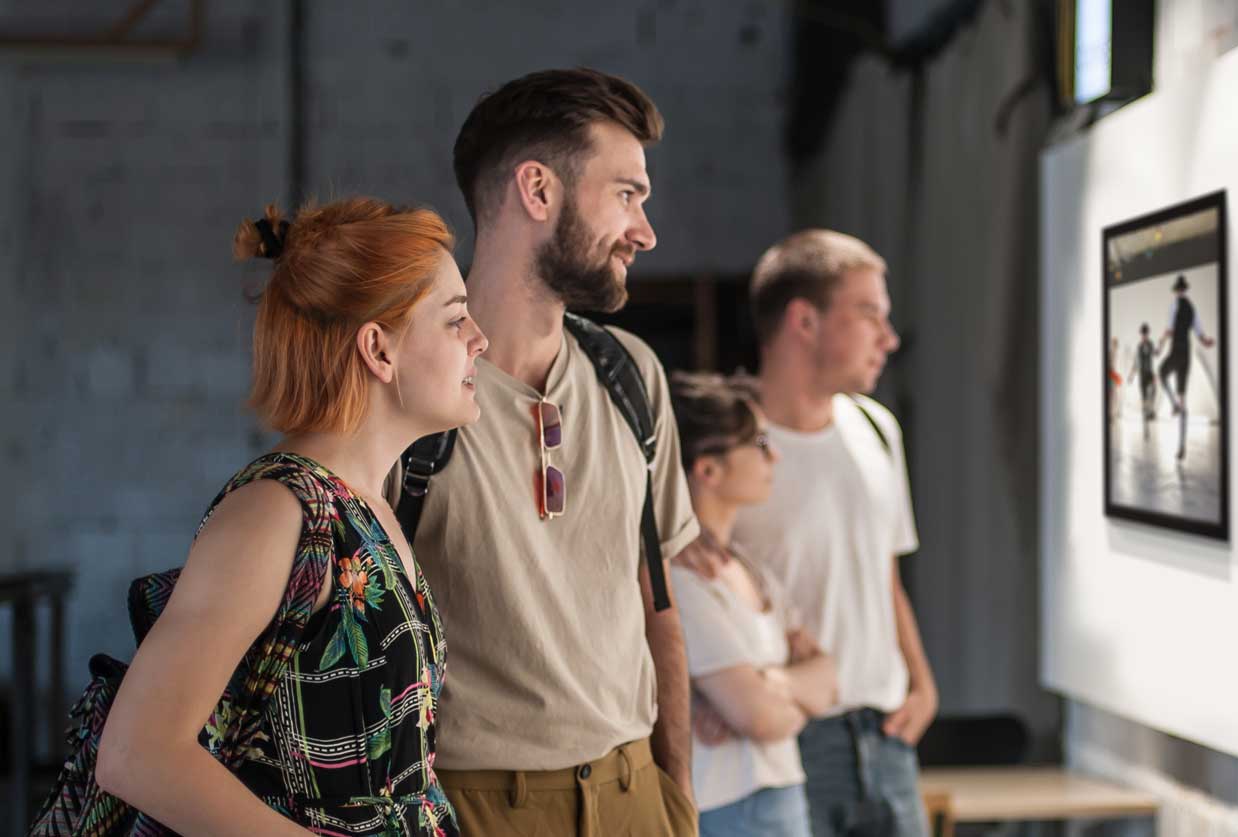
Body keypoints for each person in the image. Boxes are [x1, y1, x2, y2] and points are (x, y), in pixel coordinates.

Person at [94, 198, 486, 835]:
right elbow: (137, 754)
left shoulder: (372, 507)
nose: (480, 339)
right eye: (455, 320)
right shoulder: (274, 513)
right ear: (379, 351)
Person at [401, 68, 700, 835]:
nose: (646, 230)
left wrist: (678, 795)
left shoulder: (631, 373)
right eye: (626, 194)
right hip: (475, 804)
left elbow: (656, 600)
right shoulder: (406, 384)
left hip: (636, 790)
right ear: (538, 191)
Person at [681, 229, 938, 837]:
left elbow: (884, 578)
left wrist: (924, 688)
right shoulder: (727, 452)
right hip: (784, 744)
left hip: (887, 733)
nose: (889, 338)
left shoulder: (877, 429)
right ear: (804, 320)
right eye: (869, 314)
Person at [668, 372, 838, 836]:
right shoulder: (683, 577)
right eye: (759, 442)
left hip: (782, 793)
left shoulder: (750, 568)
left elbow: (830, 680)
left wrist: (766, 682)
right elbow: (759, 716)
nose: (775, 455)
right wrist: (789, 693)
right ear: (708, 470)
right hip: (728, 806)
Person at [1156, 274, 1216, 459]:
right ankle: (1181, 447)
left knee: (1161, 372)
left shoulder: (1175, 304)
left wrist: (1159, 346)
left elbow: (1169, 330)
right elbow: (1200, 334)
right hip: (1187, 354)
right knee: (1184, 399)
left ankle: (1173, 404)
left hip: (1176, 349)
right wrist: (1207, 342)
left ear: (1176, 290)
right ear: (1186, 289)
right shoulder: (1192, 308)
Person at [1129, 323, 1159, 421]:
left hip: (1150, 372)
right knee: (1144, 396)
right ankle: (1146, 414)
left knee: (1154, 390)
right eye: (1143, 334)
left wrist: (1158, 349)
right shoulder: (1139, 346)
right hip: (1142, 374)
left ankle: (1150, 411)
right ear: (1141, 334)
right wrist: (1131, 375)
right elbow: (1136, 362)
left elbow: (1155, 355)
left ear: (1148, 334)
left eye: (1146, 334)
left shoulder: (1150, 344)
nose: (1144, 336)